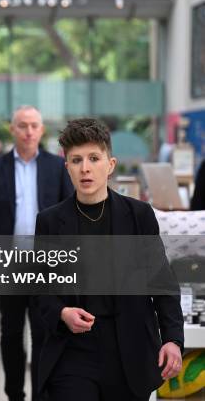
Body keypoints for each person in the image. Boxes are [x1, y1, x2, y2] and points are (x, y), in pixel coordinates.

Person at [35, 118, 183, 401]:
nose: (85, 168)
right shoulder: (51, 222)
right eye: (76, 160)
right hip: (73, 352)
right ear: (67, 167)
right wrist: (61, 313)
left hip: (129, 348)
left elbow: (161, 282)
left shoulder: (139, 216)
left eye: (94, 158)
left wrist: (173, 339)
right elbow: (41, 290)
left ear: (110, 164)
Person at [0, 105, 73, 401]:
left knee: (44, 332)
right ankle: (14, 394)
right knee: (11, 333)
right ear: (12, 129)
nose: (29, 131)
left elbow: (68, 214)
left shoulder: (57, 167)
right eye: (22, 125)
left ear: (42, 130)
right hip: (10, 264)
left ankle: (41, 393)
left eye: (34, 125)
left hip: (47, 265)